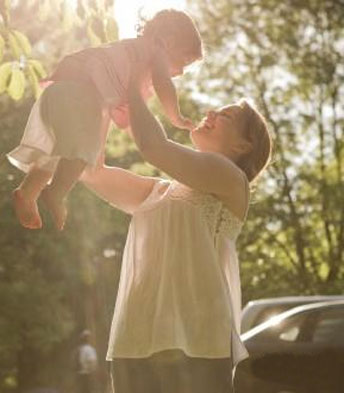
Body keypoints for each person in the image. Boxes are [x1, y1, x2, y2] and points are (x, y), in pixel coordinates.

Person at [80, 63, 273, 392]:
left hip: (195, 343)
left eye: (225, 116)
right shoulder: (158, 191)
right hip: (136, 341)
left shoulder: (231, 179)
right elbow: (91, 172)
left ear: (243, 147)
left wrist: (131, 84)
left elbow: (154, 146)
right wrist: (104, 106)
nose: (209, 112)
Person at [7, 9, 202, 231]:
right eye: (184, 61)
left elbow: (129, 116)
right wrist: (176, 117)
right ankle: (56, 194)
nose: (182, 72)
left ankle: (27, 193)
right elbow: (162, 83)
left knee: (56, 155)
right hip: (79, 94)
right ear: (169, 41)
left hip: (60, 93)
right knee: (83, 153)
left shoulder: (130, 54)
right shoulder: (155, 51)